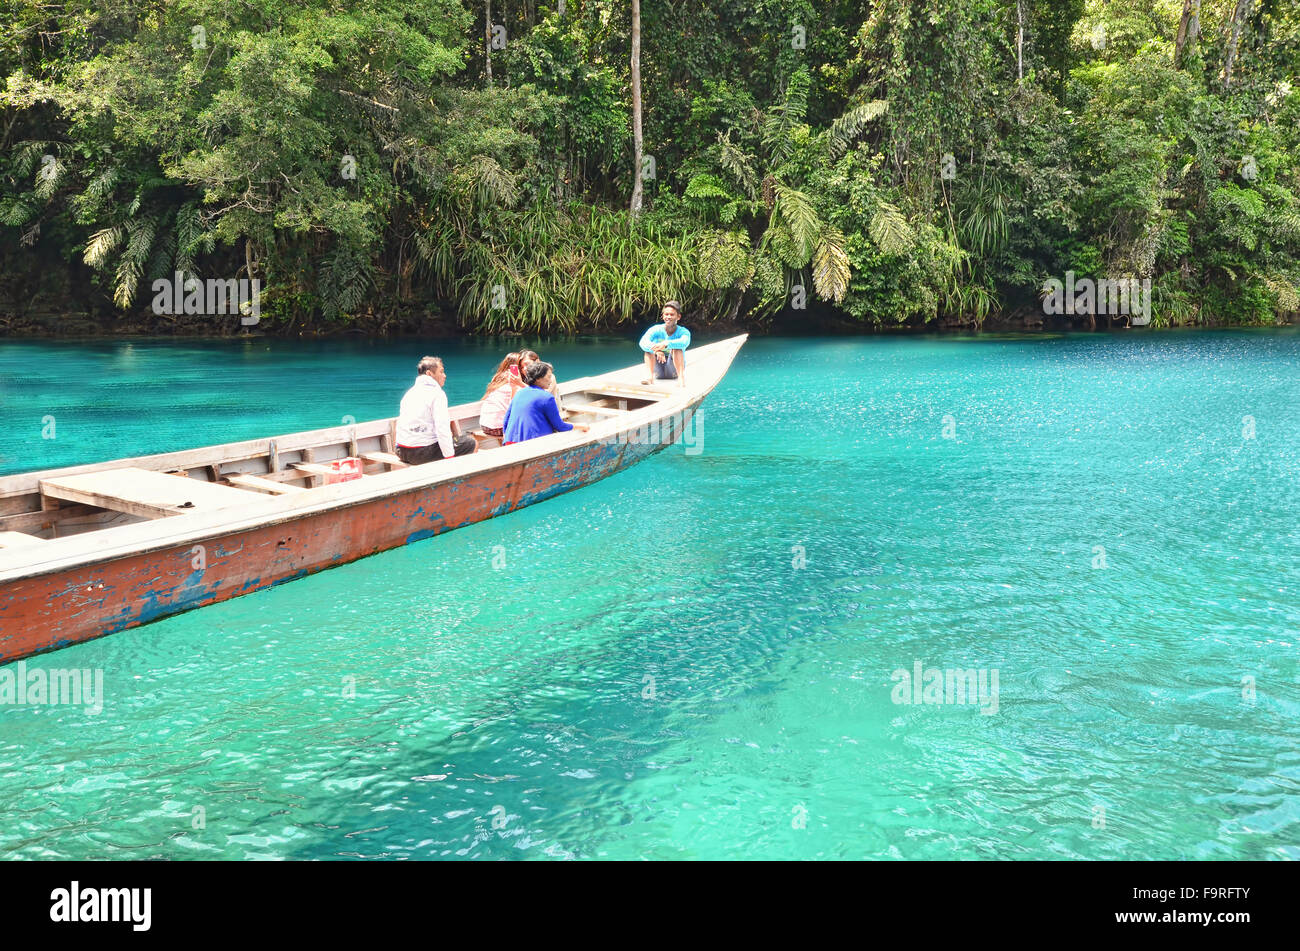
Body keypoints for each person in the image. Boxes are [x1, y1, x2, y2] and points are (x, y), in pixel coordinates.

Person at [394, 356, 478, 464]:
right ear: (429, 374)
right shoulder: (437, 394)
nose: (445, 376)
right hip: (421, 452)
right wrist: (449, 457)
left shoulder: (409, 393)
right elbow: (442, 428)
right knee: (471, 443)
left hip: (402, 451)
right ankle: (457, 478)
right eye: (441, 372)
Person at [502, 361, 584, 445]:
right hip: (533, 444)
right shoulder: (547, 397)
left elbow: (505, 420)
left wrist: (506, 437)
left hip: (510, 442)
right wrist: (582, 426)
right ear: (538, 378)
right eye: (548, 377)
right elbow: (560, 426)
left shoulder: (519, 393)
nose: (550, 380)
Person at [639, 300, 690, 386]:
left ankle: (681, 379)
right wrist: (656, 351)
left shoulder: (683, 331)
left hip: (673, 371)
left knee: (677, 348)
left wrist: (666, 344)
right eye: (666, 314)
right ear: (663, 316)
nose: (669, 317)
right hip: (658, 370)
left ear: (678, 317)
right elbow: (642, 342)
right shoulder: (656, 329)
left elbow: (684, 342)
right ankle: (649, 378)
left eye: (672, 314)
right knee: (648, 350)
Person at [478, 352, 525, 439]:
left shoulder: (497, 377)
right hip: (498, 428)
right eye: (521, 367)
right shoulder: (514, 383)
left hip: (484, 425)